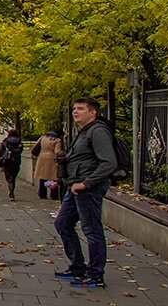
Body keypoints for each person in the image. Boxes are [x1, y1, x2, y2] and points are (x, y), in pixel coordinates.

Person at [55, 98, 119, 289]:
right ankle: (77, 267)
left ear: (93, 113)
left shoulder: (98, 131)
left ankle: (95, 275)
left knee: (92, 230)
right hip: (75, 187)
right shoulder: (83, 132)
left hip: (88, 189)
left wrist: (85, 183)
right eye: (74, 108)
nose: (75, 112)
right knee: (63, 223)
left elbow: (108, 162)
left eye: (81, 109)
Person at [32, 129, 65, 200]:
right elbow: (57, 151)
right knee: (52, 177)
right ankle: (53, 194)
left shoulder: (43, 138)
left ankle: (42, 193)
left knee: (42, 176)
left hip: (42, 157)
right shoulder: (57, 140)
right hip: (51, 158)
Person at [0, 128, 24, 200]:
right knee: (13, 178)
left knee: (9, 178)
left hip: (7, 162)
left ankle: (11, 192)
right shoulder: (19, 142)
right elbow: (20, 151)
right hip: (16, 162)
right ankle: (12, 191)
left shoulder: (5, 141)